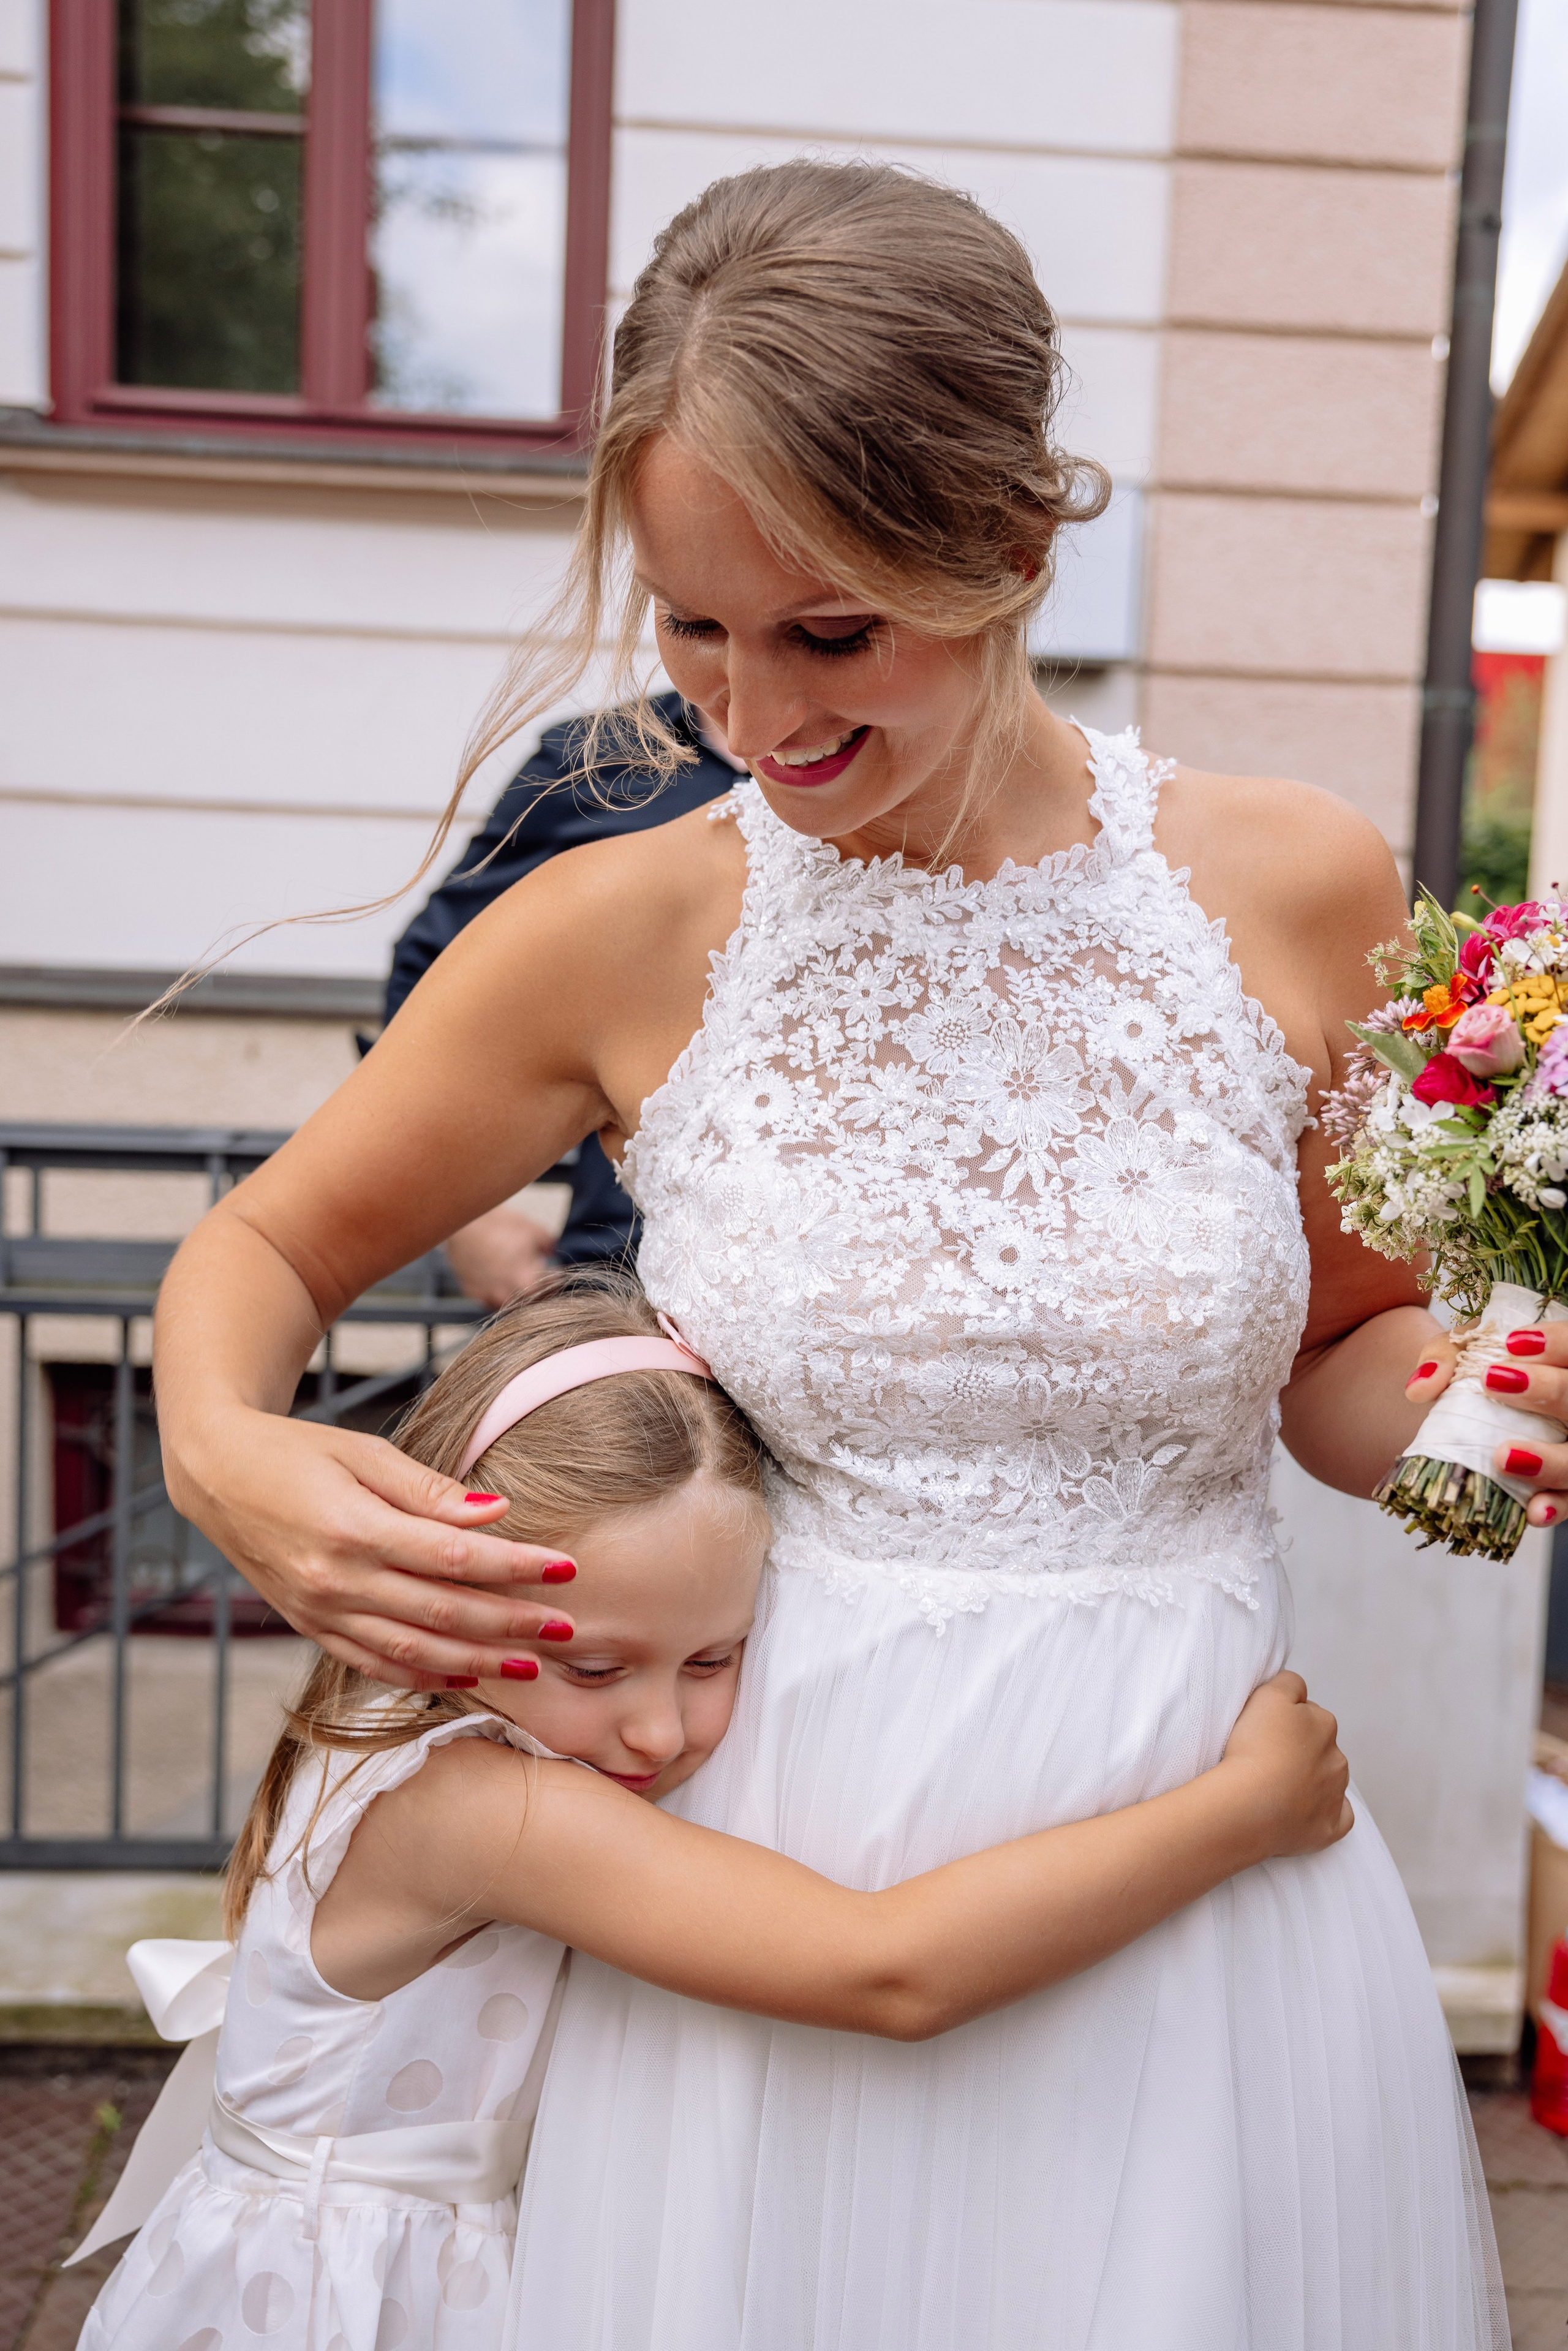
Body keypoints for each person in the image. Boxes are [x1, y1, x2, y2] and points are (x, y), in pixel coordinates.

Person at [148, 160, 1528, 2345]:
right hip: (769, 1894)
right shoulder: (632, 918)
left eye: (825, 633)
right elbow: (266, 1241)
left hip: (1198, 1864)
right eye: (688, 624)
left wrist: (1498, 1410)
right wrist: (223, 1438)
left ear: (1010, 547)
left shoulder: (1290, 886)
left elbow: (1344, 1351)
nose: (748, 713)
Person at [80, 1274, 1349, 2350]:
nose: (659, 1728)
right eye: (593, 1666)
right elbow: (887, 1967)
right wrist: (1240, 1809)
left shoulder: (396, 1717)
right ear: (441, 1581)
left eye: (712, 1657)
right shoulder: (480, 1805)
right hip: (340, 2302)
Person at [382, 696, 743, 1305]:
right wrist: (467, 1217)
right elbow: (436, 971)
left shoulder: (923, 759)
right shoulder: (596, 758)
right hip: (623, 1266)